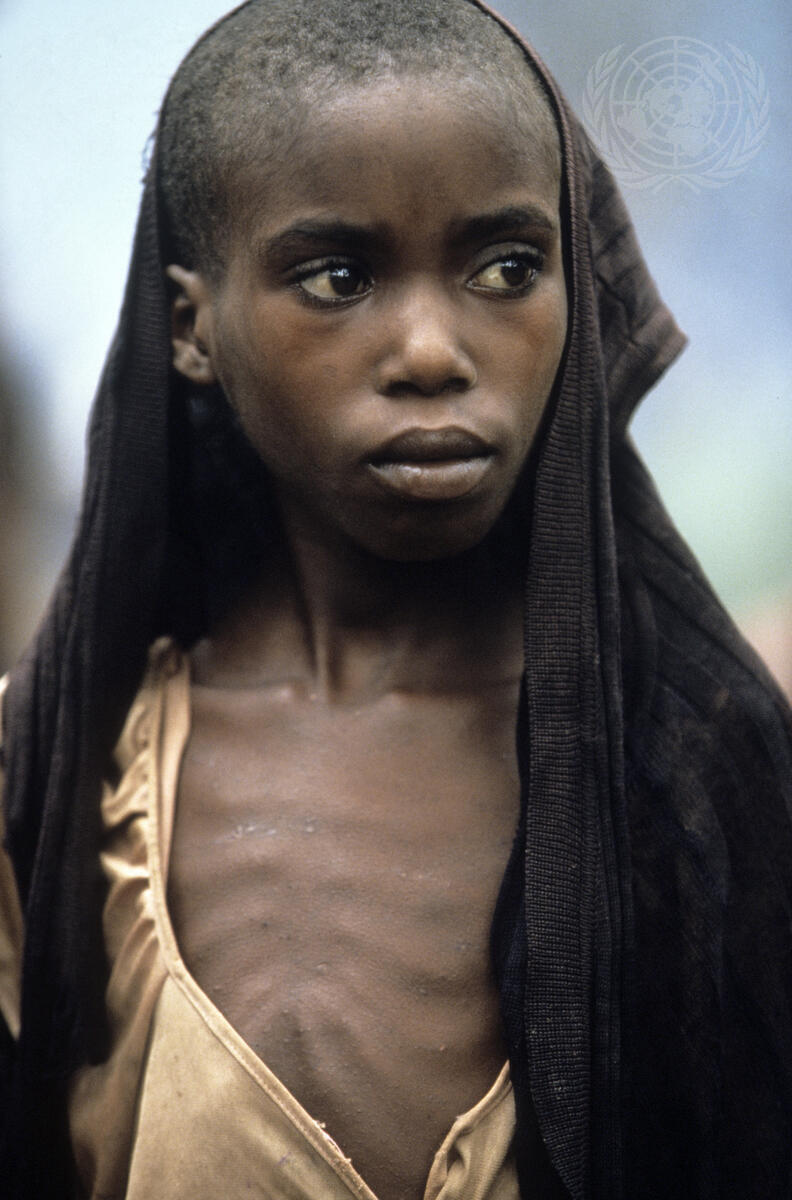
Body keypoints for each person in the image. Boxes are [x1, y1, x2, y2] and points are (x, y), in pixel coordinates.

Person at [1, 1, 790, 1197]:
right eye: (339, 277)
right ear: (192, 328)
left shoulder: (697, 769)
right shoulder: (65, 787)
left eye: (507, 268)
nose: (430, 351)